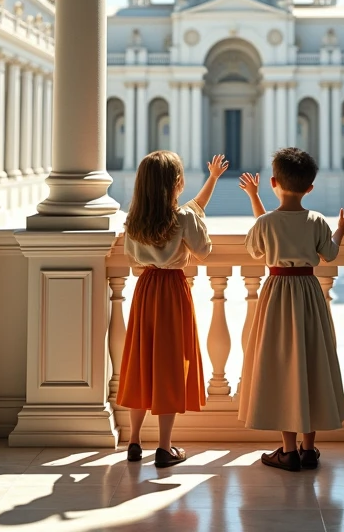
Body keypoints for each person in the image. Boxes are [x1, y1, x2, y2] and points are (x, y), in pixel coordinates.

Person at [237, 147, 344, 471]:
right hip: (308, 294)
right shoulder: (317, 220)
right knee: (311, 362)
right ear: (310, 188)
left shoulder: (266, 221)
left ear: (274, 181)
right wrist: (342, 228)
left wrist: (253, 196)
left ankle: (287, 450)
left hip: (277, 295)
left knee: (282, 367)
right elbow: (330, 254)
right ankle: (309, 448)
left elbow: (259, 243)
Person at [117, 150, 229, 467]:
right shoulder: (183, 219)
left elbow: (133, 257)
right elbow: (204, 249)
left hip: (146, 289)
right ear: (176, 183)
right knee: (169, 365)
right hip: (172, 292)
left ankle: (134, 441)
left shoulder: (134, 221)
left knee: (141, 362)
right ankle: (165, 447)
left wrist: (213, 179)